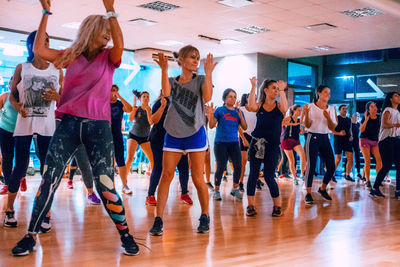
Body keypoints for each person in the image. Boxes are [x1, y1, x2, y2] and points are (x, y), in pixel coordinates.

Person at [11, 0, 139, 256]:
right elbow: (39, 49)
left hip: (98, 127)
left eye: (109, 32)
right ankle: (30, 236)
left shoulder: (109, 58)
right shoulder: (71, 55)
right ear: (92, 31)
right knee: (49, 180)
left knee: (106, 185)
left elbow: (120, 44)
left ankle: (126, 235)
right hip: (68, 124)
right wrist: (46, 13)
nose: (108, 35)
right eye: (104, 30)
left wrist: (111, 11)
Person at [149, 46, 216, 236]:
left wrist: (209, 73)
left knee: (197, 177)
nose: (196, 61)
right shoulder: (171, 81)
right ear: (182, 60)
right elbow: (167, 93)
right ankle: (158, 219)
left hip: (195, 133)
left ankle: (204, 215)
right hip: (173, 133)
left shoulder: (201, 80)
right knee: (167, 175)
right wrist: (163, 70)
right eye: (192, 57)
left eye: (198, 57)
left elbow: (208, 97)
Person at [7, 30, 63, 229]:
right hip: (24, 125)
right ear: (31, 45)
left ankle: (45, 211)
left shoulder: (57, 70)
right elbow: (12, 96)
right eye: (40, 41)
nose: (44, 44)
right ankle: (9, 209)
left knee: (47, 171)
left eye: (47, 40)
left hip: (47, 127)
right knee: (19, 167)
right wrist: (17, 106)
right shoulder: (22, 68)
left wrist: (57, 97)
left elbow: (64, 99)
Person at [246, 77, 288, 217]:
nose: (276, 91)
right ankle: (250, 205)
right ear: (266, 90)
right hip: (257, 144)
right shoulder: (259, 105)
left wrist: (282, 90)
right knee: (253, 174)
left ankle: (277, 206)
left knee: (270, 176)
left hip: (272, 146)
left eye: (277, 88)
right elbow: (251, 106)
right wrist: (253, 86)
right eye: (274, 88)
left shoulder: (279, 107)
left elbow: (285, 108)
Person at [146, 91, 193, 206]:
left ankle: (184, 193)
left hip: (177, 139)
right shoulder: (159, 103)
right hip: (159, 139)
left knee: (183, 166)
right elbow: (153, 120)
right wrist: (162, 106)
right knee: (158, 166)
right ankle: (150, 195)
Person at [209, 88, 247, 200]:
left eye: (235, 97)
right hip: (220, 143)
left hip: (234, 143)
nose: (233, 99)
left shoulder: (238, 112)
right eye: (230, 96)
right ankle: (216, 190)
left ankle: (235, 189)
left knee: (238, 166)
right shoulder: (220, 110)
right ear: (225, 98)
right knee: (221, 167)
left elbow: (245, 127)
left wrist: (240, 116)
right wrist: (211, 114)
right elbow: (211, 125)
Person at [303, 85, 337, 204]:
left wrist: (328, 118)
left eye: (329, 92)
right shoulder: (310, 107)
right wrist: (306, 114)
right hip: (312, 137)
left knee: (331, 166)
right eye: (326, 92)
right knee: (311, 165)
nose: (328, 94)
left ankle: (322, 189)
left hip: (325, 137)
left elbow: (333, 127)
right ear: (319, 93)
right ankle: (308, 193)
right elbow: (307, 125)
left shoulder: (332, 109)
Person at [370, 92, 400, 198]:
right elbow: (385, 124)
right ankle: (375, 188)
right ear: (391, 99)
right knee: (387, 165)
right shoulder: (387, 110)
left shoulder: (397, 112)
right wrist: (396, 125)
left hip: (396, 140)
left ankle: (398, 190)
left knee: (399, 165)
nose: (399, 97)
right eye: (396, 96)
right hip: (386, 140)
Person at [124, 89, 153, 193]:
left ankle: (152, 185)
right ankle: (124, 183)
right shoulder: (137, 108)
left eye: (147, 97)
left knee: (153, 160)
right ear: (140, 99)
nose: (145, 98)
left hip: (145, 137)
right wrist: (134, 109)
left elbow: (151, 122)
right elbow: (131, 118)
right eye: (144, 96)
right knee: (129, 159)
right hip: (134, 135)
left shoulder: (150, 109)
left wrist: (149, 112)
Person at [110, 84, 132, 193]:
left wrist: (120, 96)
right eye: (112, 90)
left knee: (121, 161)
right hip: (106, 136)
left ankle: (124, 185)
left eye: (115, 90)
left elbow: (130, 109)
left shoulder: (119, 104)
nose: (113, 92)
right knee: (108, 162)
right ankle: (111, 186)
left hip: (117, 136)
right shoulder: (104, 103)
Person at [359, 101, 382, 189]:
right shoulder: (366, 117)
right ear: (368, 109)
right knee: (367, 160)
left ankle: (378, 179)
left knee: (379, 160)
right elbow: (361, 130)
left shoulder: (379, 117)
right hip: (364, 140)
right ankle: (367, 180)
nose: (374, 108)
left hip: (375, 140)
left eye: (375, 106)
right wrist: (366, 120)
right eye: (372, 106)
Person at [281, 104, 306, 185]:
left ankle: (302, 175)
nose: (300, 112)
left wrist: (302, 130)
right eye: (299, 110)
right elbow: (282, 124)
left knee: (303, 155)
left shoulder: (298, 121)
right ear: (294, 111)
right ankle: (294, 177)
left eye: (301, 110)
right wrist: (292, 124)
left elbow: (301, 130)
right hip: (287, 140)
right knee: (291, 160)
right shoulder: (289, 118)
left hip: (296, 141)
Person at [238, 90, 256, 192]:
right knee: (243, 161)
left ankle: (255, 180)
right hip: (244, 136)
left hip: (255, 136)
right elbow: (238, 126)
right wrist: (244, 139)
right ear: (247, 98)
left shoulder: (257, 109)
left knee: (255, 161)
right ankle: (240, 182)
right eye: (252, 97)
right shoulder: (241, 109)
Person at [332, 105, 355, 182]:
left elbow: (350, 129)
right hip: (338, 140)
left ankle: (347, 175)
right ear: (340, 110)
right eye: (343, 109)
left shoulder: (349, 119)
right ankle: (331, 174)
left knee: (350, 159)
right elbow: (332, 130)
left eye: (346, 109)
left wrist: (351, 135)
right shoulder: (337, 118)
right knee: (338, 159)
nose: (345, 110)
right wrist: (339, 133)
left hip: (347, 141)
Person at [351, 112, 362, 180]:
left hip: (356, 142)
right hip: (350, 142)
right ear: (353, 116)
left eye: (358, 116)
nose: (357, 117)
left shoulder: (358, 124)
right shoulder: (350, 124)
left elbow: (360, 133)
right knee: (349, 157)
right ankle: (347, 172)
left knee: (357, 157)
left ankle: (358, 172)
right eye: (356, 116)